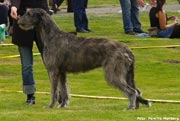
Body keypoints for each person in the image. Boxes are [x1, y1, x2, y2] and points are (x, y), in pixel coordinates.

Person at [10, 0, 49, 105]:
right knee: (26, 65)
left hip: (42, 23)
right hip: (23, 21)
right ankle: (30, 95)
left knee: (51, 64)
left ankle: (59, 93)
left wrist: (55, 5)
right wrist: (14, 7)